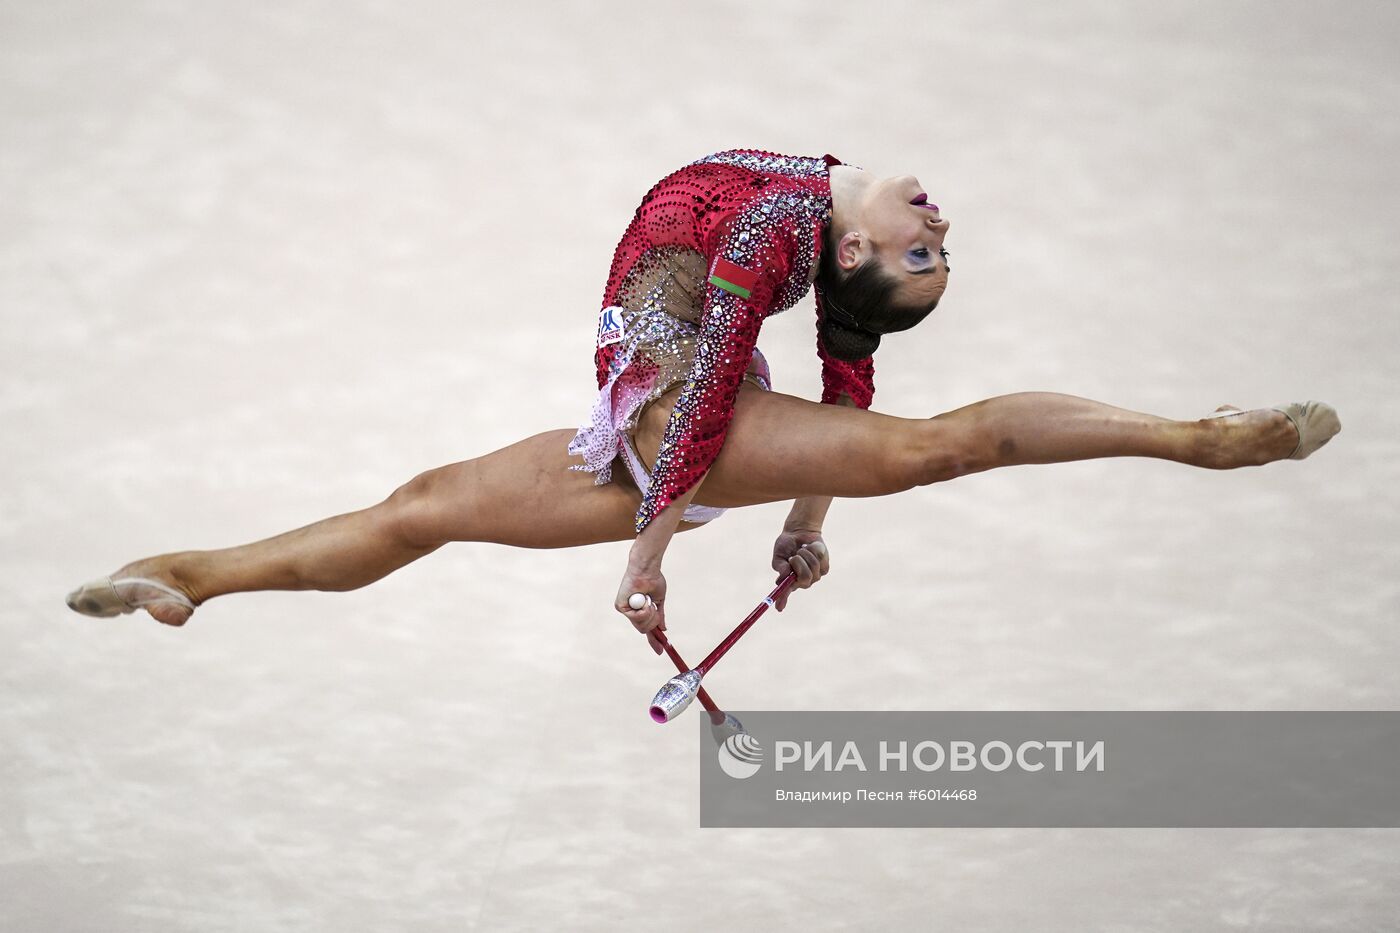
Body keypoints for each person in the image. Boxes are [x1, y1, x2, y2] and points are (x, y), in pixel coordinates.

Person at [65, 149, 1341, 653]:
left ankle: (1197, 440)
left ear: (844, 256)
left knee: (935, 449)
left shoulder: (788, 220)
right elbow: (818, 395)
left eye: (920, 252)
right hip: (635, 415)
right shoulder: (814, 213)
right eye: (930, 246)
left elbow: (726, 376)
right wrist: (804, 528)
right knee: (424, 509)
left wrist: (650, 553)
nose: (934, 223)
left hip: (681, 420)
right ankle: (187, 577)